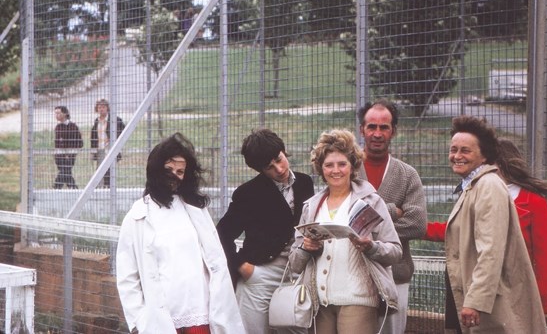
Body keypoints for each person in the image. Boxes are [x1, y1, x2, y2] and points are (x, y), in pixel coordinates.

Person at [116, 133, 245, 334]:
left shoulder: (195, 210)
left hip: (200, 315)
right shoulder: (137, 216)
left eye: (180, 171)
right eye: (168, 169)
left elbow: (215, 262)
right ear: (156, 169)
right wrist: (138, 322)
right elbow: (127, 276)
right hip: (160, 321)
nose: (174, 176)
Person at [425, 137, 547, 327]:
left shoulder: (535, 203)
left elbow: (544, 259)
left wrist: (543, 303)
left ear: (499, 163)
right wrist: (415, 227)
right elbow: (453, 231)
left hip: (516, 291)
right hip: (479, 289)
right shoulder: (475, 194)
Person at [289, 129, 402, 333]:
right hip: (320, 303)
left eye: (342, 164)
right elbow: (295, 264)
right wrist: (306, 248)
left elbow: (395, 251)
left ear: (352, 166)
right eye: (329, 165)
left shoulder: (372, 201)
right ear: (320, 169)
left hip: (359, 299)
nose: (336, 170)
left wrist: (370, 247)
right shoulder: (311, 206)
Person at [216, 129, 315, 334]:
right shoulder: (248, 194)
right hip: (260, 273)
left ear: (284, 151)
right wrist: (243, 267)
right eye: (269, 168)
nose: (279, 169)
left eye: (279, 159)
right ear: (260, 170)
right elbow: (222, 233)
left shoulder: (305, 182)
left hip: (297, 272)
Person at [357, 99, 427, 334]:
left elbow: (417, 224)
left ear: (393, 131)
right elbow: (339, 217)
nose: (377, 133)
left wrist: (362, 226)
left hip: (395, 275)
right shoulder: (345, 170)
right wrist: (391, 211)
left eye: (384, 127)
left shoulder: (407, 175)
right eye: (372, 126)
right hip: (353, 274)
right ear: (362, 130)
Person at [90, 98, 125, 187]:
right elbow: (94, 136)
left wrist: (113, 138)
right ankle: (103, 189)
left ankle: (109, 189)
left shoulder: (115, 119)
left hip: (110, 150)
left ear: (107, 108)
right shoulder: (96, 121)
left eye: (103, 107)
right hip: (100, 150)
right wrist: (93, 151)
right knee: (100, 173)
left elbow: (123, 131)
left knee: (108, 172)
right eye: (99, 107)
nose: (101, 109)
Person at [53, 105, 83, 189]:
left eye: (59, 113)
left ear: (65, 113)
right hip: (59, 156)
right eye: (55, 113)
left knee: (64, 172)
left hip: (69, 156)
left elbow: (79, 142)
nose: (56, 115)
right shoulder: (58, 127)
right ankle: (74, 189)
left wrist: (70, 153)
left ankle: (56, 188)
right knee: (66, 174)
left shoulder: (72, 126)